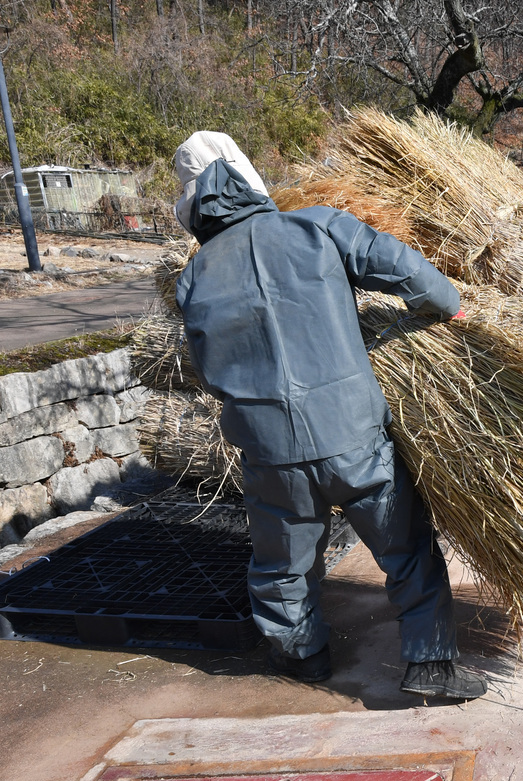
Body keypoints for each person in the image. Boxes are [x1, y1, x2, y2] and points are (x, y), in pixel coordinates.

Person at [172, 131, 486, 700]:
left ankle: (305, 659)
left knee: (283, 564)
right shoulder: (314, 226)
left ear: (192, 202)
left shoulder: (194, 277)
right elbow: (398, 265)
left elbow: (203, 367)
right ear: (245, 177)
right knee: (406, 548)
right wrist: (447, 305)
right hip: (352, 433)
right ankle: (429, 668)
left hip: (269, 451)